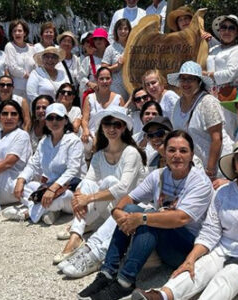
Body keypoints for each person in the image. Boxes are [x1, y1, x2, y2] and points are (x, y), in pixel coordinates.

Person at [134, 139, 238, 300]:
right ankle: (162, 296)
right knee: (200, 267)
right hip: (224, 251)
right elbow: (210, 232)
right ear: (234, 165)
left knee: (229, 275)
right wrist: (190, 259)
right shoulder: (223, 193)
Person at [77, 130, 213, 300]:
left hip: (186, 246)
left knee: (148, 219)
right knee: (131, 211)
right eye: (172, 150)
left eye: (183, 151)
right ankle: (107, 272)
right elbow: (130, 198)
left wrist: (142, 218)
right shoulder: (159, 175)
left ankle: (125, 282)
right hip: (164, 238)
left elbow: (181, 218)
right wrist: (118, 212)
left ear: (192, 154)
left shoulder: (200, 182)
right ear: (165, 152)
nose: (177, 155)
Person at [58, 116, 177, 279]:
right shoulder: (154, 161)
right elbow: (136, 194)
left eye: (160, 133)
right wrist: (82, 196)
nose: (155, 138)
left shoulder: (188, 163)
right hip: (154, 215)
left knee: (128, 206)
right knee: (123, 207)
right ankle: (86, 243)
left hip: (176, 232)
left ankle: (97, 254)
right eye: (151, 135)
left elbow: (126, 188)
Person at [58, 107, 145, 265]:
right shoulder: (98, 155)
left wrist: (87, 199)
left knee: (111, 181)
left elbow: (123, 188)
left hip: (124, 210)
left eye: (116, 125)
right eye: (107, 124)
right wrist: (78, 197)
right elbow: (88, 180)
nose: (111, 129)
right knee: (86, 183)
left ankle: (82, 225)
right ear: (102, 128)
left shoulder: (131, 152)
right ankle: (76, 235)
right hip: (106, 208)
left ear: (123, 127)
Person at [7, 103, 86, 224]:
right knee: (18, 186)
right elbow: (33, 165)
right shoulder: (44, 142)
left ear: (65, 121)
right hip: (49, 188)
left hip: (70, 189)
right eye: (50, 118)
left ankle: (28, 213)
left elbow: (72, 170)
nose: (54, 121)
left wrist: (54, 189)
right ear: (46, 121)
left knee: (63, 196)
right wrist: (21, 180)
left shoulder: (73, 141)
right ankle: (50, 211)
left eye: (58, 118)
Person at [168, 61, 233, 185]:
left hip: (218, 165)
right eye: (183, 79)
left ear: (199, 82)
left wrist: (210, 170)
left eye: (191, 79)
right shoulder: (177, 104)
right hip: (196, 167)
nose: (186, 83)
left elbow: (217, 138)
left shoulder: (208, 102)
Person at [81, 67, 125, 149]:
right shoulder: (89, 98)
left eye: (107, 78)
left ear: (111, 80)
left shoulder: (119, 98)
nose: (105, 81)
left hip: (112, 136)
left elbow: (123, 121)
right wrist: (86, 130)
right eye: (101, 79)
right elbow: (85, 119)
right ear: (96, 80)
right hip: (92, 136)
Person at [204, 15, 238, 97]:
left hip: (227, 98)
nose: (227, 31)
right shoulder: (214, 49)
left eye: (231, 28)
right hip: (208, 95)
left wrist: (207, 75)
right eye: (223, 27)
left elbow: (230, 74)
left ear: (237, 32)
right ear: (219, 31)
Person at [4, 19, 37, 99]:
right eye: (14, 31)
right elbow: (12, 68)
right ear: (12, 34)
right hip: (16, 88)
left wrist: (34, 78)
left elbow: (36, 66)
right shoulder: (9, 46)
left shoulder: (31, 48)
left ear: (25, 33)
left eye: (19, 31)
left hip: (31, 87)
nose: (17, 33)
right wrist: (27, 75)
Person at [102, 18, 131, 101]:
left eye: (126, 29)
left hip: (131, 85)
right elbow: (103, 69)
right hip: (116, 87)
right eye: (120, 29)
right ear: (116, 31)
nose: (123, 31)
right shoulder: (110, 48)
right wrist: (117, 66)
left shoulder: (133, 47)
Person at [57, 31, 81, 103]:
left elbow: (79, 76)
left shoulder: (76, 59)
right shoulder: (55, 58)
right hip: (60, 94)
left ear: (73, 45)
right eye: (64, 41)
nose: (66, 44)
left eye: (69, 42)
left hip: (72, 95)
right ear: (60, 43)